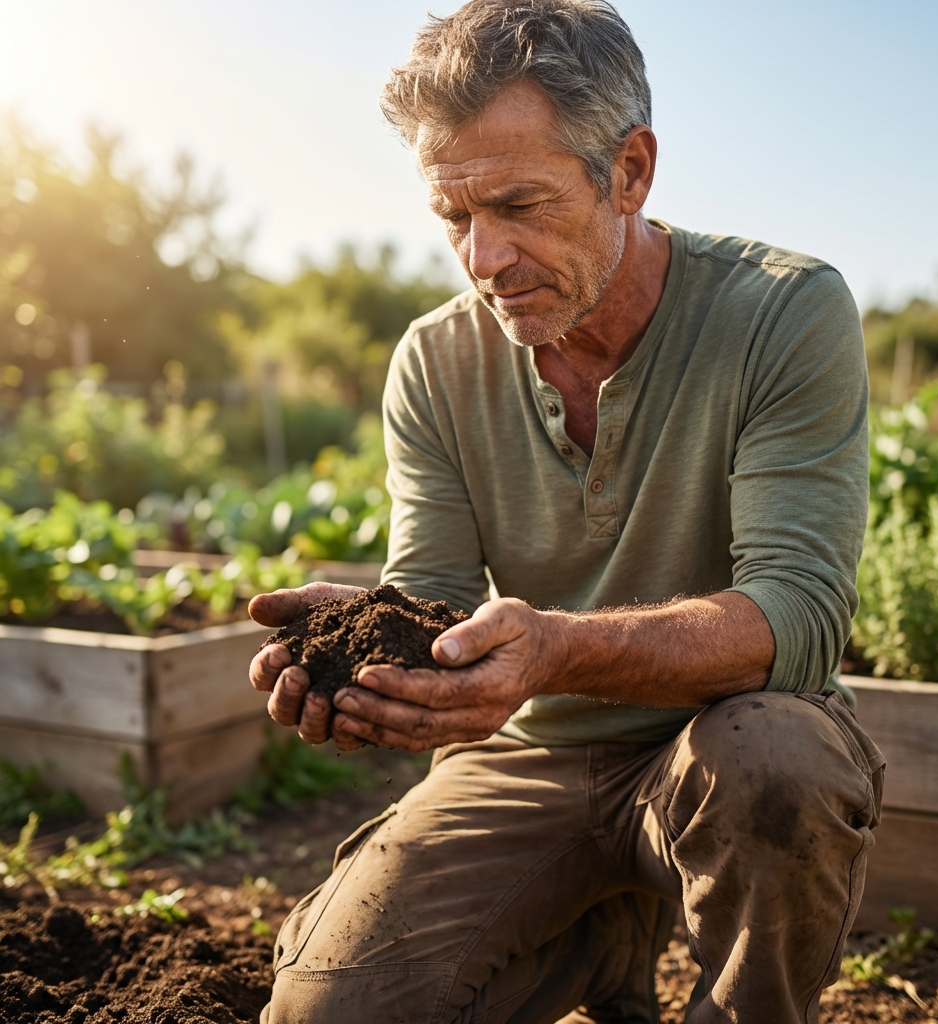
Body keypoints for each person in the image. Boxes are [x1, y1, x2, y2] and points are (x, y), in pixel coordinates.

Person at [250, 2, 884, 1021]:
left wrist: (552, 650)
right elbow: (433, 595)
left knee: (781, 763)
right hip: (530, 754)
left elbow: (799, 615)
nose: (483, 258)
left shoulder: (781, 312)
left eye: (518, 204)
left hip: (719, 744)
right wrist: (369, 651)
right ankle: (596, 939)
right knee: (323, 1013)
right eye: (454, 217)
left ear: (628, 171)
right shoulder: (436, 360)